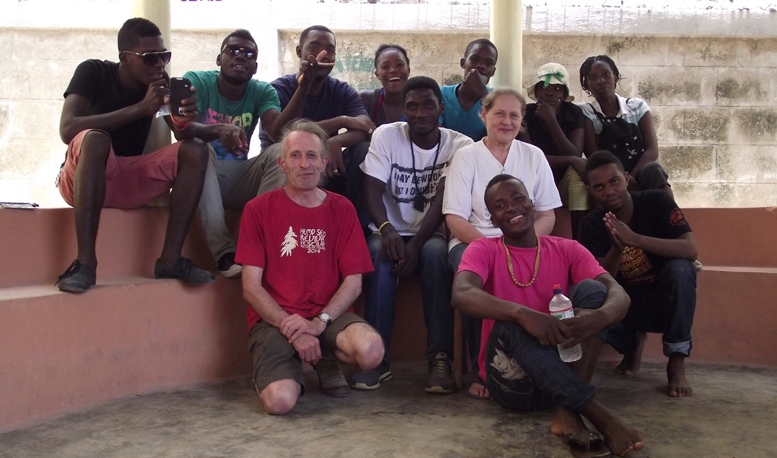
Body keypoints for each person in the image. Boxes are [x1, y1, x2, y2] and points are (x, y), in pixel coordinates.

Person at [452, 174, 644, 457]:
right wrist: (523, 314)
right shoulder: (483, 249)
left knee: (593, 290)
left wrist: (599, 318)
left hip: (561, 373)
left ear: (532, 204)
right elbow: (462, 293)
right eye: (500, 205)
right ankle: (600, 416)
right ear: (493, 220)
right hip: (513, 383)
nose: (512, 208)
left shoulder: (567, 249)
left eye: (518, 199)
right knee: (509, 325)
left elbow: (618, 294)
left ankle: (568, 413)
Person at [55, 17, 214, 293]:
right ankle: (85, 264)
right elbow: (67, 129)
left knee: (197, 149)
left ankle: (170, 260)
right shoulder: (93, 72)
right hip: (84, 179)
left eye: (164, 56)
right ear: (125, 58)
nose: (160, 65)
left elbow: (181, 134)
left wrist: (190, 119)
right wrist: (141, 109)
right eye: (151, 58)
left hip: (128, 180)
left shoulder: (159, 82)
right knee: (95, 139)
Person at [236, 119, 383, 415]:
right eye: (295, 156)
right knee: (279, 402)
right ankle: (284, 366)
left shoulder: (342, 208)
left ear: (324, 162)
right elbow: (251, 287)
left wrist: (318, 324)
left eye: (312, 156)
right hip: (275, 319)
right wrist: (293, 330)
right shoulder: (257, 209)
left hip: (327, 316)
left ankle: (323, 357)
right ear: (282, 163)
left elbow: (354, 281)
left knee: (371, 352)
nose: (304, 164)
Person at [354, 76, 473, 393]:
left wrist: (416, 244)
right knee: (378, 252)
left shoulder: (460, 145)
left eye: (428, 105)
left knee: (436, 254)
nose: (420, 113)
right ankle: (376, 359)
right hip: (389, 230)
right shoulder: (387, 135)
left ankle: (440, 359)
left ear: (441, 107)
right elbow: (373, 189)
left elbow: (444, 198)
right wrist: (386, 228)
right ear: (403, 111)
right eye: (411, 107)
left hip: (430, 233)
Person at [443, 88, 561, 399]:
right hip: (474, 242)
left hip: (526, 244)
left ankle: (535, 363)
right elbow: (455, 219)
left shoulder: (533, 156)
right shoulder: (466, 156)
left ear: (521, 121)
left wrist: (524, 245)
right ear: (484, 115)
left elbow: (547, 214)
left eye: (514, 115)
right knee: (473, 285)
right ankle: (482, 369)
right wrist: (494, 249)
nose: (506, 121)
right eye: (499, 114)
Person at [173, 29, 297, 277]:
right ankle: (225, 255)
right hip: (200, 177)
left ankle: (253, 247)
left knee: (280, 151)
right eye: (233, 51)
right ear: (219, 59)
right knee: (199, 147)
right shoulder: (196, 81)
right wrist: (218, 129)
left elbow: (277, 133)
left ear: (255, 67)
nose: (241, 57)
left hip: (238, 177)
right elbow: (182, 131)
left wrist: (302, 87)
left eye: (249, 54)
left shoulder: (262, 91)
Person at [579, 151, 697, 398]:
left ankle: (676, 361)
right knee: (589, 292)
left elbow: (690, 249)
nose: (609, 191)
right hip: (626, 308)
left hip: (665, 301)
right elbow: (601, 279)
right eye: (599, 187)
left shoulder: (656, 202)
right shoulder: (592, 225)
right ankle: (632, 344)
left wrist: (635, 239)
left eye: (614, 181)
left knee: (680, 269)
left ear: (627, 177)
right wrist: (617, 247)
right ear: (590, 190)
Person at [258, 25, 375, 219]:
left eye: (330, 50)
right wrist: (341, 121)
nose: (323, 54)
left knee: (363, 149)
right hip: (283, 170)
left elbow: (366, 125)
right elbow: (282, 135)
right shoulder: (277, 89)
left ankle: (358, 227)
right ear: (299, 51)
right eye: (314, 47)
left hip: (325, 167)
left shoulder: (341, 90)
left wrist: (335, 141)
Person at [578, 55, 672, 197]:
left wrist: (629, 177)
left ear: (615, 77)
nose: (601, 81)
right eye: (593, 78)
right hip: (608, 174)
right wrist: (619, 179)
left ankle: (672, 217)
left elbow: (652, 150)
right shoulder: (586, 112)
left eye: (606, 74)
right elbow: (595, 155)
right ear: (586, 85)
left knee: (654, 170)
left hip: (639, 170)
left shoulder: (637, 107)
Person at [520, 63, 588, 240]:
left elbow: (575, 152)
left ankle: (579, 239)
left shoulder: (574, 113)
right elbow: (531, 158)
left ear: (564, 94)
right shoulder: (525, 113)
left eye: (557, 88)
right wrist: (570, 160)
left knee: (576, 174)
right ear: (536, 92)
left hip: (563, 183)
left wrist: (551, 121)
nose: (549, 92)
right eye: (544, 87)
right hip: (536, 181)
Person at [439, 39, 498, 141]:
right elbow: (434, 136)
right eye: (474, 59)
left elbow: (503, 136)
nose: (481, 66)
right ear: (463, 63)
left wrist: (484, 95)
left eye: (488, 63)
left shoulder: (498, 100)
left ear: (493, 71)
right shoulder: (441, 94)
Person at [359, 44, 410, 127]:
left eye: (399, 65)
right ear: (377, 74)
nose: (393, 70)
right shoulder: (366, 100)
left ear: (408, 70)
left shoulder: (420, 102)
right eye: (385, 66)